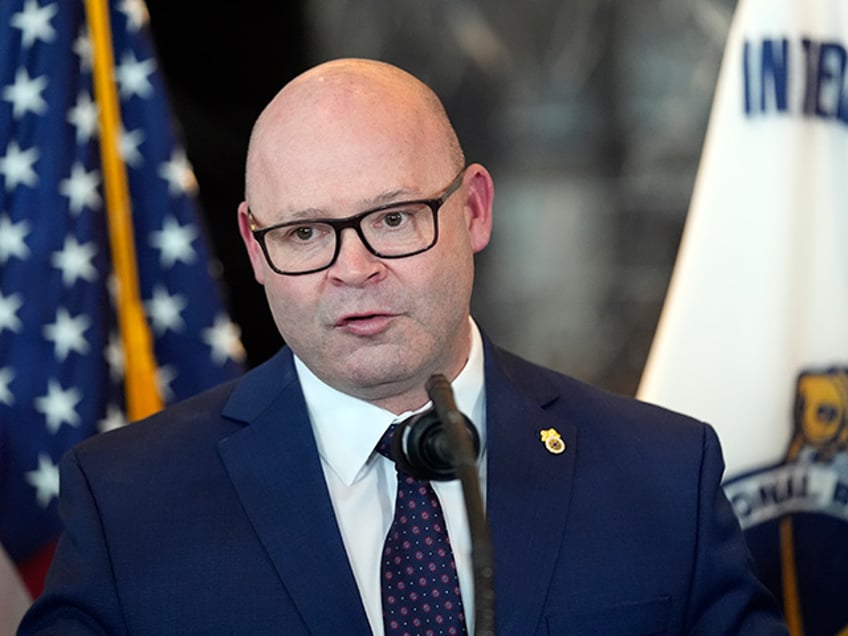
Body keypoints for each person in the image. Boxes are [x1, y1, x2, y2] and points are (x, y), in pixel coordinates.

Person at [19, 58, 787, 635]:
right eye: (306, 233)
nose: (353, 270)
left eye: (393, 219)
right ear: (255, 249)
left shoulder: (661, 475)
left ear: (476, 210)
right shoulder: (128, 502)